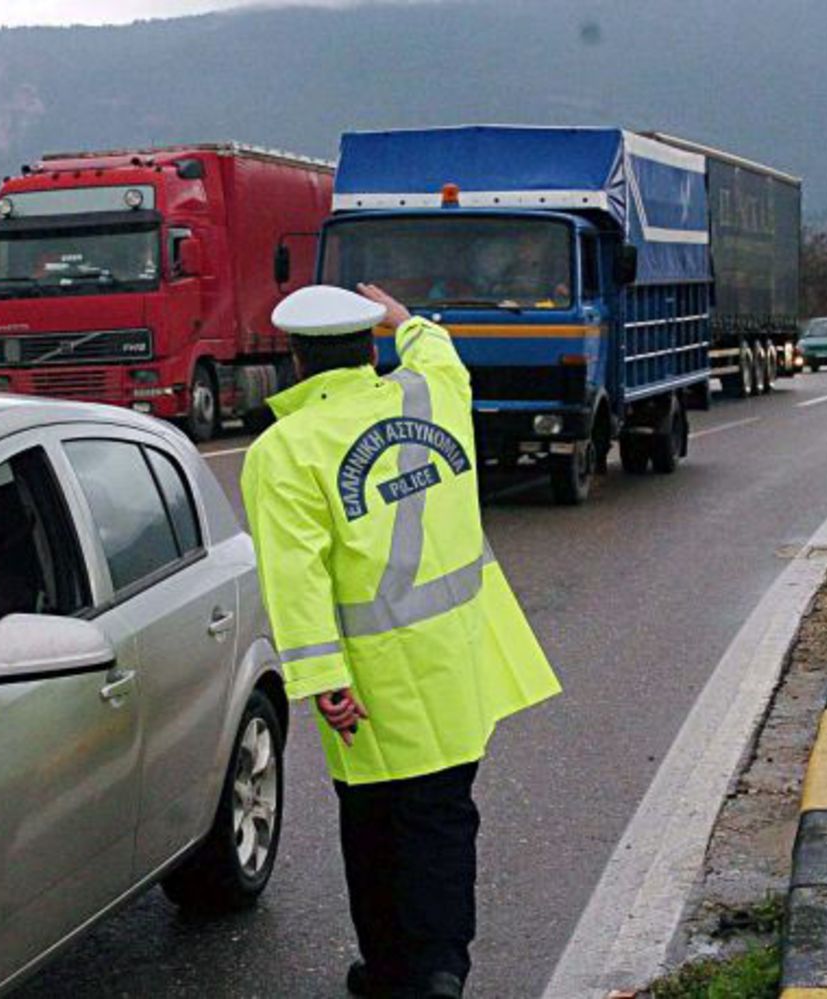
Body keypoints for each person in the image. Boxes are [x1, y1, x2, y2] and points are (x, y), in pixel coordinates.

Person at [240, 283, 561, 998]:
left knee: (376, 823)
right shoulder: (432, 395)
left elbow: (297, 579)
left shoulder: (285, 450)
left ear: (296, 361)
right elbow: (441, 352)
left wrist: (322, 678)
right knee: (444, 816)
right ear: (369, 347)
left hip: (371, 678)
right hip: (457, 658)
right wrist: (404, 316)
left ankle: (391, 968)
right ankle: (441, 965)